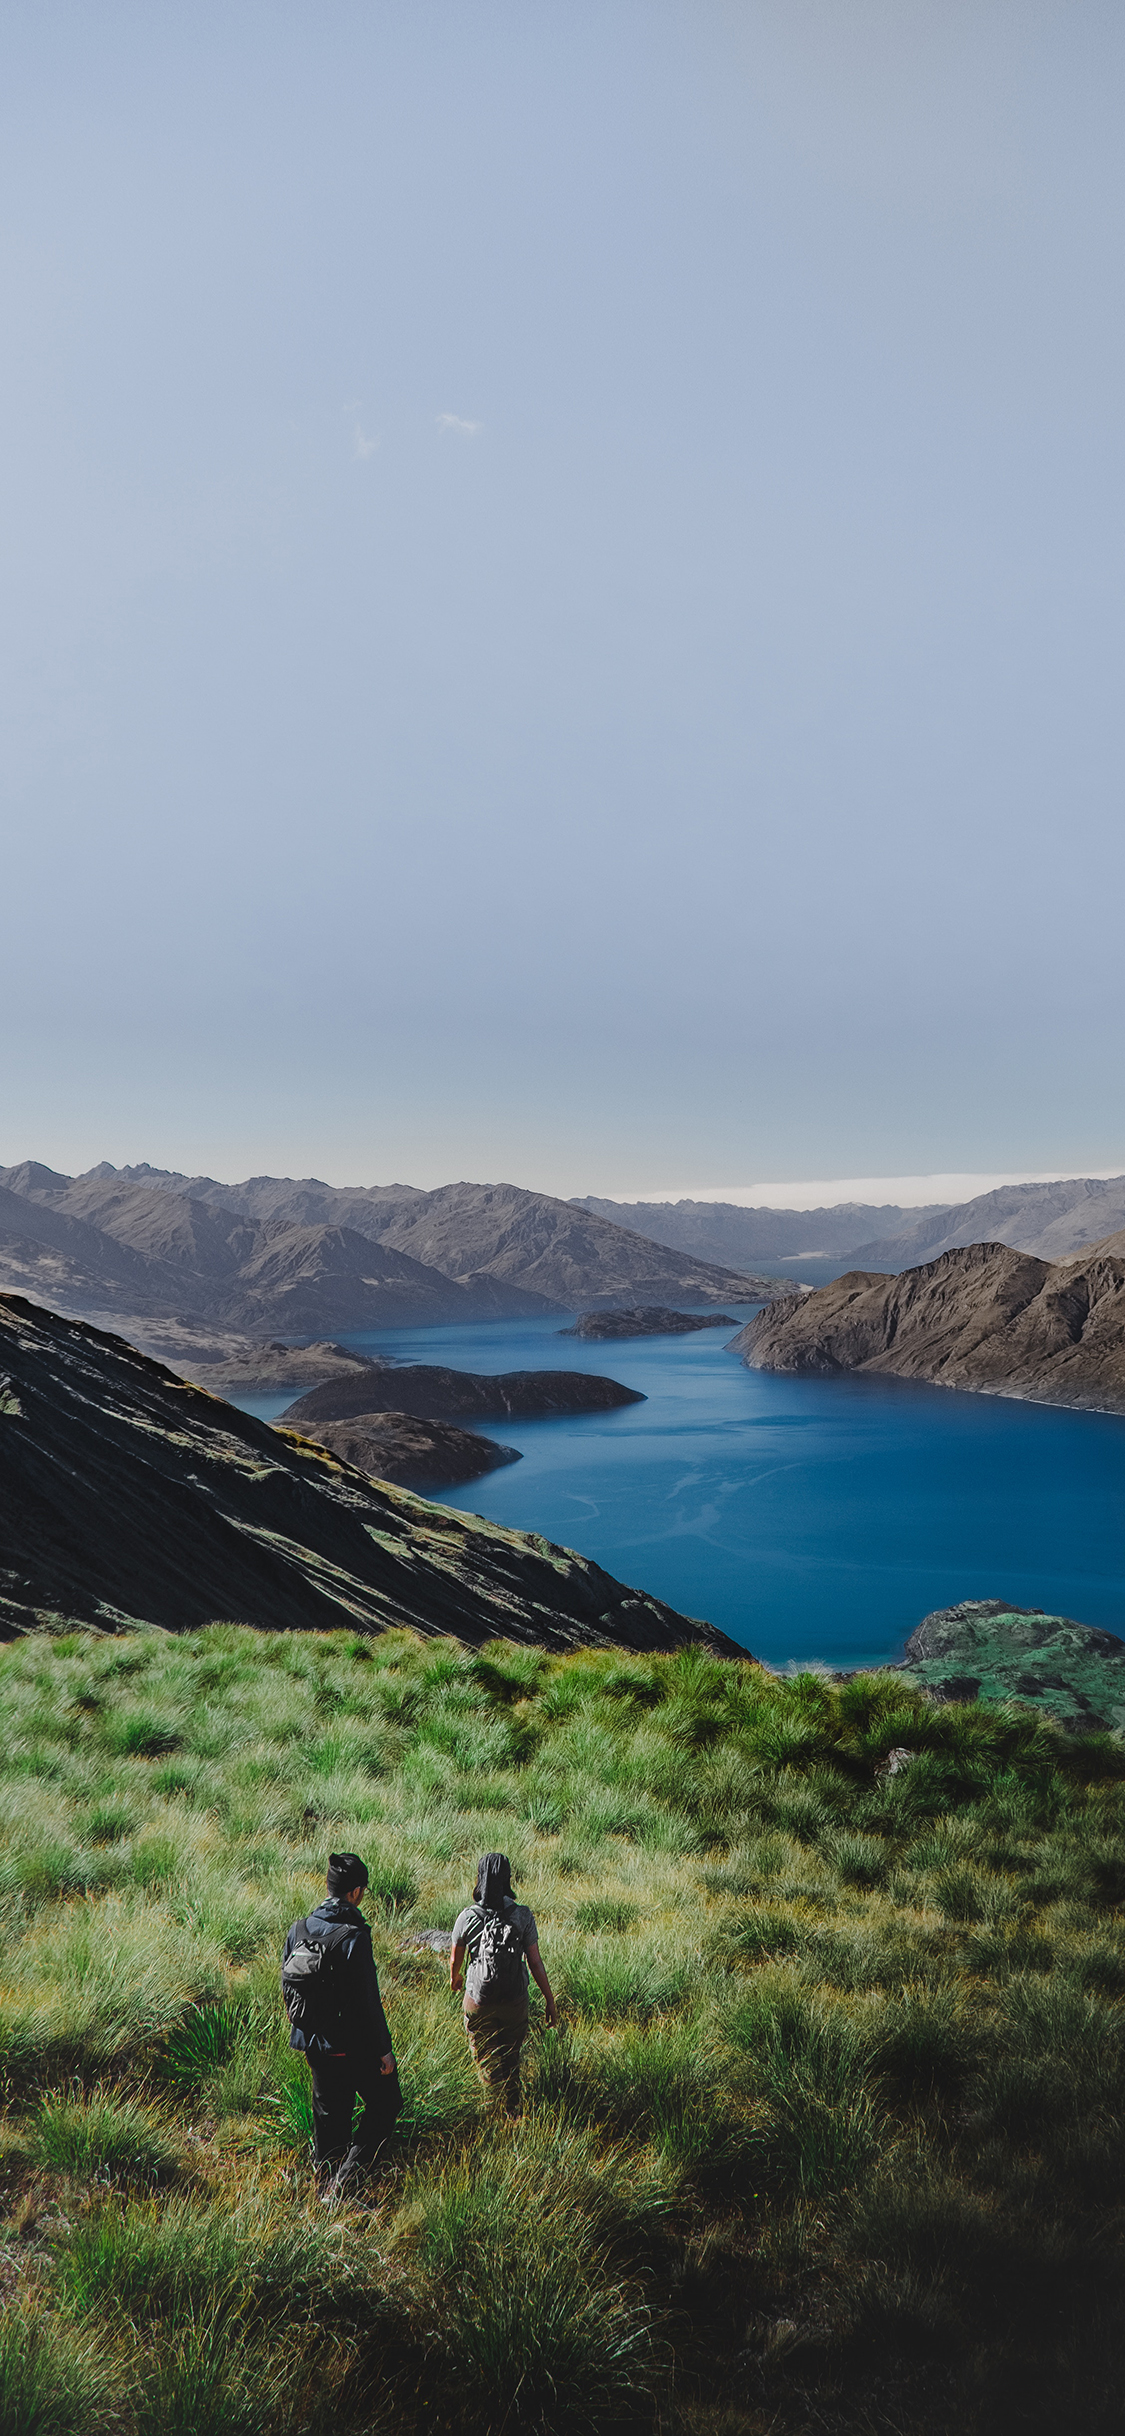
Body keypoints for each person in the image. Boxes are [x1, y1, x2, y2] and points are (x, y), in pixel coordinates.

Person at [281, 1852, 400, 2195]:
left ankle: (322, 2193)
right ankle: (345, 2185)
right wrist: (384, 2051)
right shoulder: (354, 1937)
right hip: (352, 2048)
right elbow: (368, 2002)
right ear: (355, 1892)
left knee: (329, 2121)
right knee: (386, 2104)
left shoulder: (298, 1929)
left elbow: (287, 1988)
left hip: (313, 2046)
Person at [450, 1851, 558, 2117]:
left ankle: (493, 2111)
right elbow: (535, 1962)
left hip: (479, 2001)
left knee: (486, 2058)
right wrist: (549, 2000)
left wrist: (456, 1979)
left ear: (479, 1878)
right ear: (508, 1878)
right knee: (512, 2056)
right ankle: (513, 2110)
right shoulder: (522, 1915)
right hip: (515, 2001)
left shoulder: (467, 1917)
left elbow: (455, 1959)